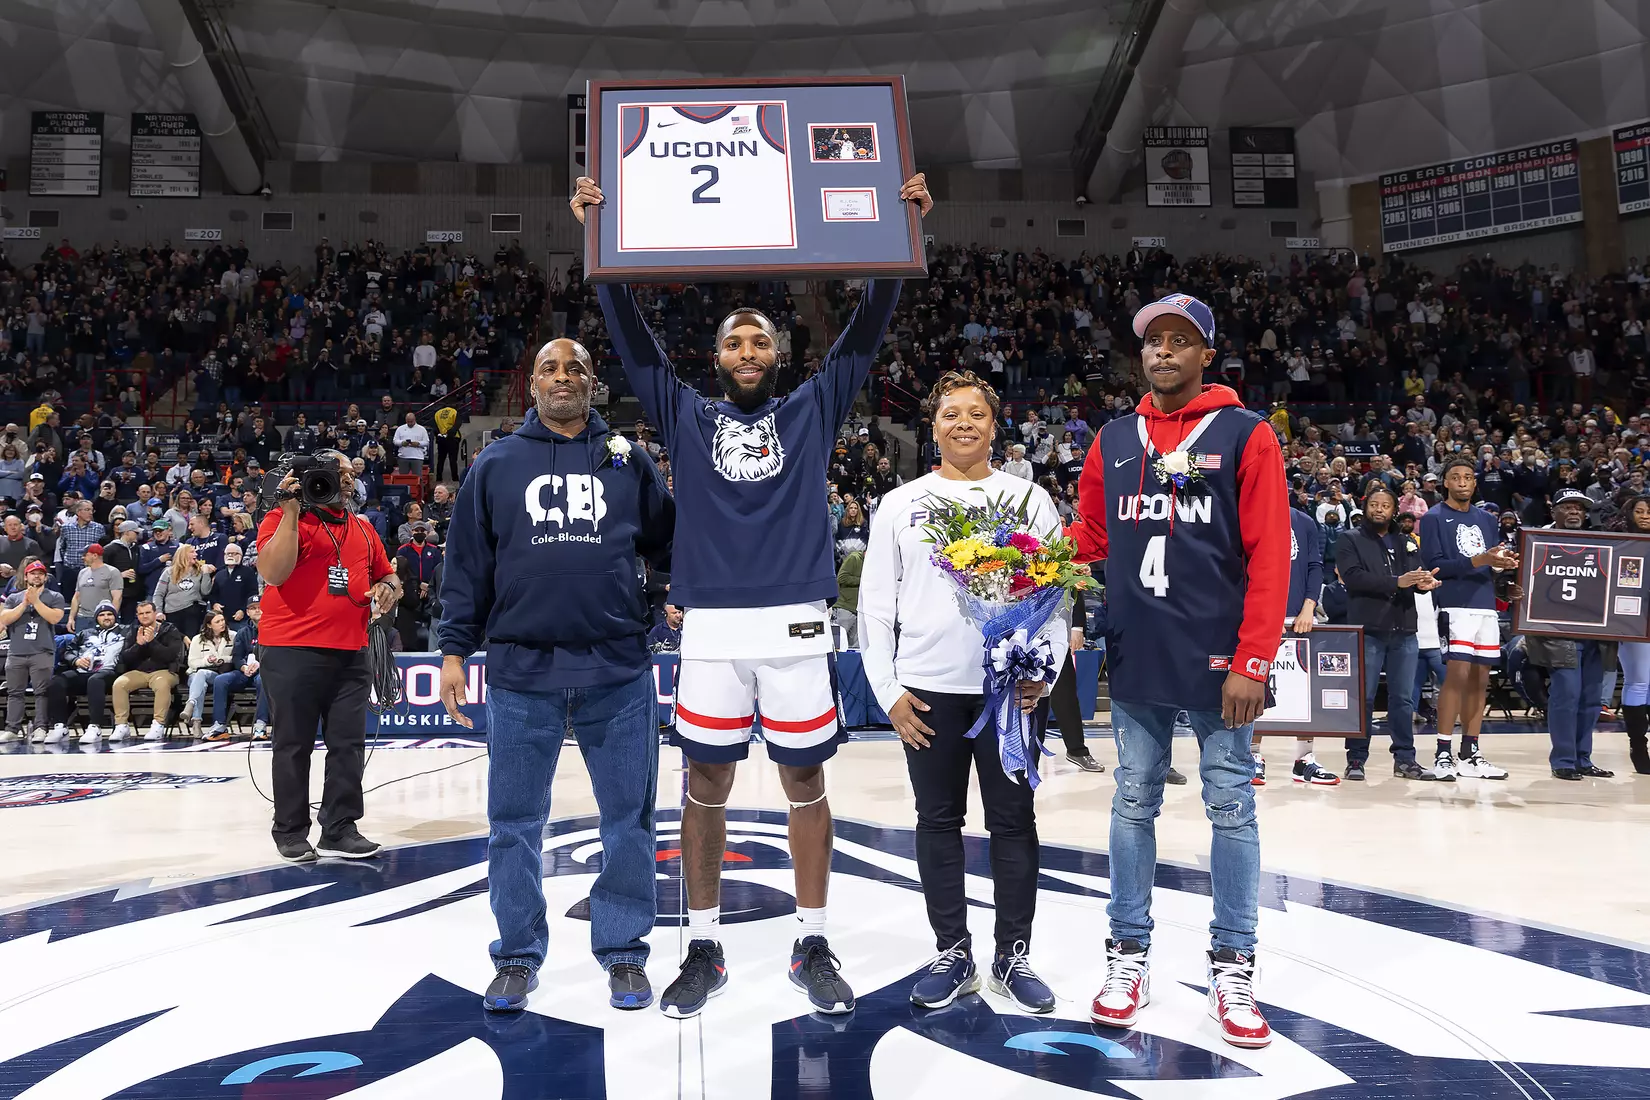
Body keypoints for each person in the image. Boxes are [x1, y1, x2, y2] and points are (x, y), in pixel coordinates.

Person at [574, 169, 932, 1019]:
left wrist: (903, 238)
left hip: (799, 619)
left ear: (777, 354)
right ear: (717, 357)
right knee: (704, 785)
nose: (746, 354)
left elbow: (865, 331)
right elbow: (630, 338)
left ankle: (811, 940)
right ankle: (704, 943)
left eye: (759, 342)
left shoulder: (813, 406)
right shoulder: (683, 411)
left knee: (806, 784)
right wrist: (597, 241)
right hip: (712, 626)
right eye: (734, 343)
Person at [1069, 293, 1288, 1049]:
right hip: (1136, 654)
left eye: (1178, 341)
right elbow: (1090, 538)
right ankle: (1127, 956)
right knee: (1133, 804)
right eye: (1152, 342)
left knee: (1231, 807)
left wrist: (1254, 661)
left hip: (1222, 663)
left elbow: (1270, 557)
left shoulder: (1247, 435)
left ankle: (1234, 965)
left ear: (1205, 354)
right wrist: (1020, 557)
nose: (1162, 352)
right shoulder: (1113, 437)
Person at [437, 337, 674, 1013]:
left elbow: (670, 541)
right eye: (549, 367)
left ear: (593, 383)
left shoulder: (628, 460)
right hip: (520, 673)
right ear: (531, 383)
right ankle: (516, 954)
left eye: (574, 368)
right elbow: (466, 568)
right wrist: (454, 651)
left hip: (617, 669)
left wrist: (661, 603)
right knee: (513, 822)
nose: (562, 377)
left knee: (627, 821)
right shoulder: (496, 463)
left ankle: (624, 952)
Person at [859, 370, 1065, 1013]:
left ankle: (1014, 953)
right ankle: (953, 950)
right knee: (937, 821)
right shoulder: (900, 504)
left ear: (995, 426)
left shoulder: (1029, 500)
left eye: (977, 414)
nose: (964, 424)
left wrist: (1044, 670)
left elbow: (1054, 597)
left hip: (1009, 693)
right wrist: (889, 692)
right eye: (951, 414)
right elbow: (874, 609)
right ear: (933, 425)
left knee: (1013, 822)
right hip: (927, 693)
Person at [256, 449, 401, 863]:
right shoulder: (283, 520)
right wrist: (287, 511)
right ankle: (289, 831)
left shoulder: (362, 526)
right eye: (336, 472)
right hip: (291, 649)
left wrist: (390, 587)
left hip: (352, 649)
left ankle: (339, 828)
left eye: (350, 471)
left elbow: (386, 572)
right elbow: (274, 573)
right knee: (293, 744)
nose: (348, 478)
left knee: (348, 745)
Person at [1419, 456, 1517, 780]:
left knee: (1480, 680)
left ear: (1475, 483)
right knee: (1457, 676)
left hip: (1485, 604)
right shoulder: (1433, 518)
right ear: (1445, 482)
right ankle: (1442, 753)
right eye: (1456, 477)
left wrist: (1505, 580)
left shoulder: (1488, 520)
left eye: (1468, 477)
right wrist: (1479, 559)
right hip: (1454, 603)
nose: (1462, 482)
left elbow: (1489, 563)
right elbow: (1434, 565)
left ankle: (1470, 753)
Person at [1336, 483, 1442, 781]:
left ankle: (1405, 759)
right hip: (1368, 631)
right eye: (1374, 504)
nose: (1379, 509)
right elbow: (1354, 578)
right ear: (1365, 506)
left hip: (1405, 631)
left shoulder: (1406, 541)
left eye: (1385, 505)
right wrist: (1398, 581)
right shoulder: (1350, 539)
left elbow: (1415, 577)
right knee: (1364, 699)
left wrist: (1425, 584)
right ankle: (1356, 759)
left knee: (1404, 699)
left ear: (1395, 510)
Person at [1528, 489, 1617, 780]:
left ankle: (1583, 758)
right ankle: (1563, 760)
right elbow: (1515, 580)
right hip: (1557, 632)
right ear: (1553, 511)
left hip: (1594, 633)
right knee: (1566, 694)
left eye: (1579, 508)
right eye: (1568, 507)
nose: (1575, 512)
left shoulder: (1598, 543)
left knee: (1591, 698)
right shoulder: (1537, 541)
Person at [1253, 503, 1334, 784]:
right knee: (1259, 684)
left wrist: (1309, 606)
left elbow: (1314, 565)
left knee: (1303, 690)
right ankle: (1252, 755)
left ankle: (1304, 759)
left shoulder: (1303, 520)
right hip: (1258, 616)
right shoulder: (1248, 511)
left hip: (1298, 614)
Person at [2, 560, 68, 742]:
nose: (36, 576)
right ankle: (12, 728)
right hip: (16, 652)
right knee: (15, 692)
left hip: (42, 651)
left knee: (42, 692)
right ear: (26, 576)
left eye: (40, 573)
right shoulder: (14, 598)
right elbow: (5, 619)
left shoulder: (55, 596)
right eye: (33, 573)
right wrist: (24, 604)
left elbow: (55, 618)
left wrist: (36, 601)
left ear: (45, 577)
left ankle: (40, 727)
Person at [42, 600, 124, 744]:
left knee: (95, 680)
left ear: (115, 616)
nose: (106, 617)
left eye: (110, 614)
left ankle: (95, 727)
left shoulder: (126, 631)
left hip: (109, 672)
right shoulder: (85, 633)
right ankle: (60, 726)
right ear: (96, 618)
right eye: (102, 614)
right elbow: (68, 652)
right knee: (56, 682)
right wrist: (76, 660)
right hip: (83, 671)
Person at [111, 600, 185, 742]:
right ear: (137, 616)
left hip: (165, 671)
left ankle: (158, 724)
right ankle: (121, 725)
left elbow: (171, 655)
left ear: (155, 613)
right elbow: (125, 657)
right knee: (119, 684)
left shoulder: (169, 630)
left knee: (161, 684)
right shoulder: (133, 630)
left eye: (147, 613)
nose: (144, 616)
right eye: (141, 613)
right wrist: (138, 645)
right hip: (140, 672)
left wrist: (152, 642)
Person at [1048, 587, 1104, 771]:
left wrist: (1077, 627)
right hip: (1020, 630)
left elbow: (1075, 587)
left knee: (1065, 695)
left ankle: (1077, 750)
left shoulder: (1060, 558)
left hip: (1055, 633)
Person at [205, 595, 269, 741]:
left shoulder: (273, 629)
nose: (257, 610)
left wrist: (260, 665)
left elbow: (277, 654)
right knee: (221, 680)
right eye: (253, 608)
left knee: (263, 680)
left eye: (259, 607)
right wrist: (243, 667)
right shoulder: (242, 632)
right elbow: (237, 656)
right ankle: (219, 725)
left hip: (264, 671)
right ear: (247, 612)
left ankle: (260, 725)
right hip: (245, 672)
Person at [1618, 495, 1650, 775]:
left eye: (1649, 511)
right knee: (1638, 681)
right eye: (1639, 511)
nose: (1645, 515)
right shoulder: (1622, 544)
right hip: (1633, 620)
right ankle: (1638, 747)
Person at [181, 610, 235, 738]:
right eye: (218, 621)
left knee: (202, 675)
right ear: (209, 625)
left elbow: (236, 657)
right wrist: (207, 661)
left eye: (223, 620)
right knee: (200, 677)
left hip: (219, 675)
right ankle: (196, 723)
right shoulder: (197, 639)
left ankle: (191, 704)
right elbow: (192, 663)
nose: (222, 623)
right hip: (196, 674)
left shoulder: (233, 636)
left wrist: (221, 659)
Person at [152, 542, 214, 642]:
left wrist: (206, 573)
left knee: (191, 641)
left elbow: (205, 592)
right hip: (172, 613)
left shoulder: (199, 571)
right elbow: (158, 594)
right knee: (174, 642)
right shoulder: (168, 572)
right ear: (184, 555)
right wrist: (158, 611)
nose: (196, 554)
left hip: (193, 612)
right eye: (192, 552)